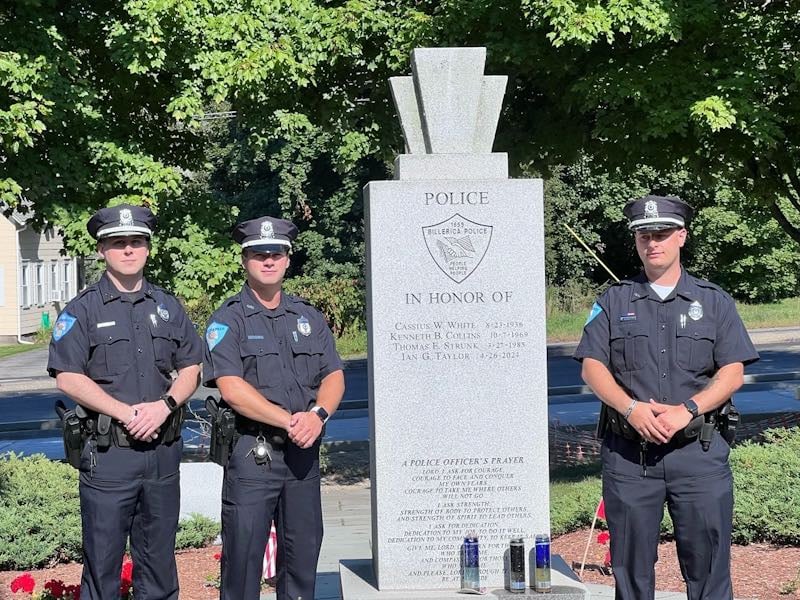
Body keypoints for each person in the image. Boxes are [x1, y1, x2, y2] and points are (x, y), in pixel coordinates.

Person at [574, 195, 759, 600]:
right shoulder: (613, 301)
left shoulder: (713, 301)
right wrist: (631, 408)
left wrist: (687, 410)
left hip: (698, 455)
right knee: (631, 572)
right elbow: (592, 365)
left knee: (709, 571)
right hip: (629, 457)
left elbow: (733, 371)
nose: (652, 243)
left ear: (681, 237)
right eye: (644, 236)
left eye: (661, 234)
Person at [47, 204, 203, 600]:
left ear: (148, 248)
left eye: (136, 242)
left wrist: (165, 405)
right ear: (102, 250)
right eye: (118, 243)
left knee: (160, 564)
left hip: (162, 454)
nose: (128, 250)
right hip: (109, 457)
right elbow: (67, 374)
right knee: (102, 566)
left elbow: (192, 366)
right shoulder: (83, 310)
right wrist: (123, 412)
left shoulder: (168, 307)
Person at [203, 216, 345, 600]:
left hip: (302, 454)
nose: (268, 260)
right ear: (244, 260)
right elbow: (232, 387)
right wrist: (288, 420)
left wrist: (317, 417)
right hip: (254, 453)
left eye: (276, 253)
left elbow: (333, 376)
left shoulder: (307, 317)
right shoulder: (227, 319)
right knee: (244, 556)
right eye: (258, 254)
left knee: (302, 555)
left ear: (287, 259)